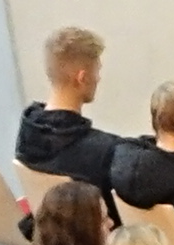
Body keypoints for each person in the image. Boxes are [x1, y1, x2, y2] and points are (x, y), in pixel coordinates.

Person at [15, 25, 121, 195]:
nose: (98, 78)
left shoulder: (27, 133)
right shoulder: (104, 151)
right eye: (97, 71)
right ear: (82, 78)